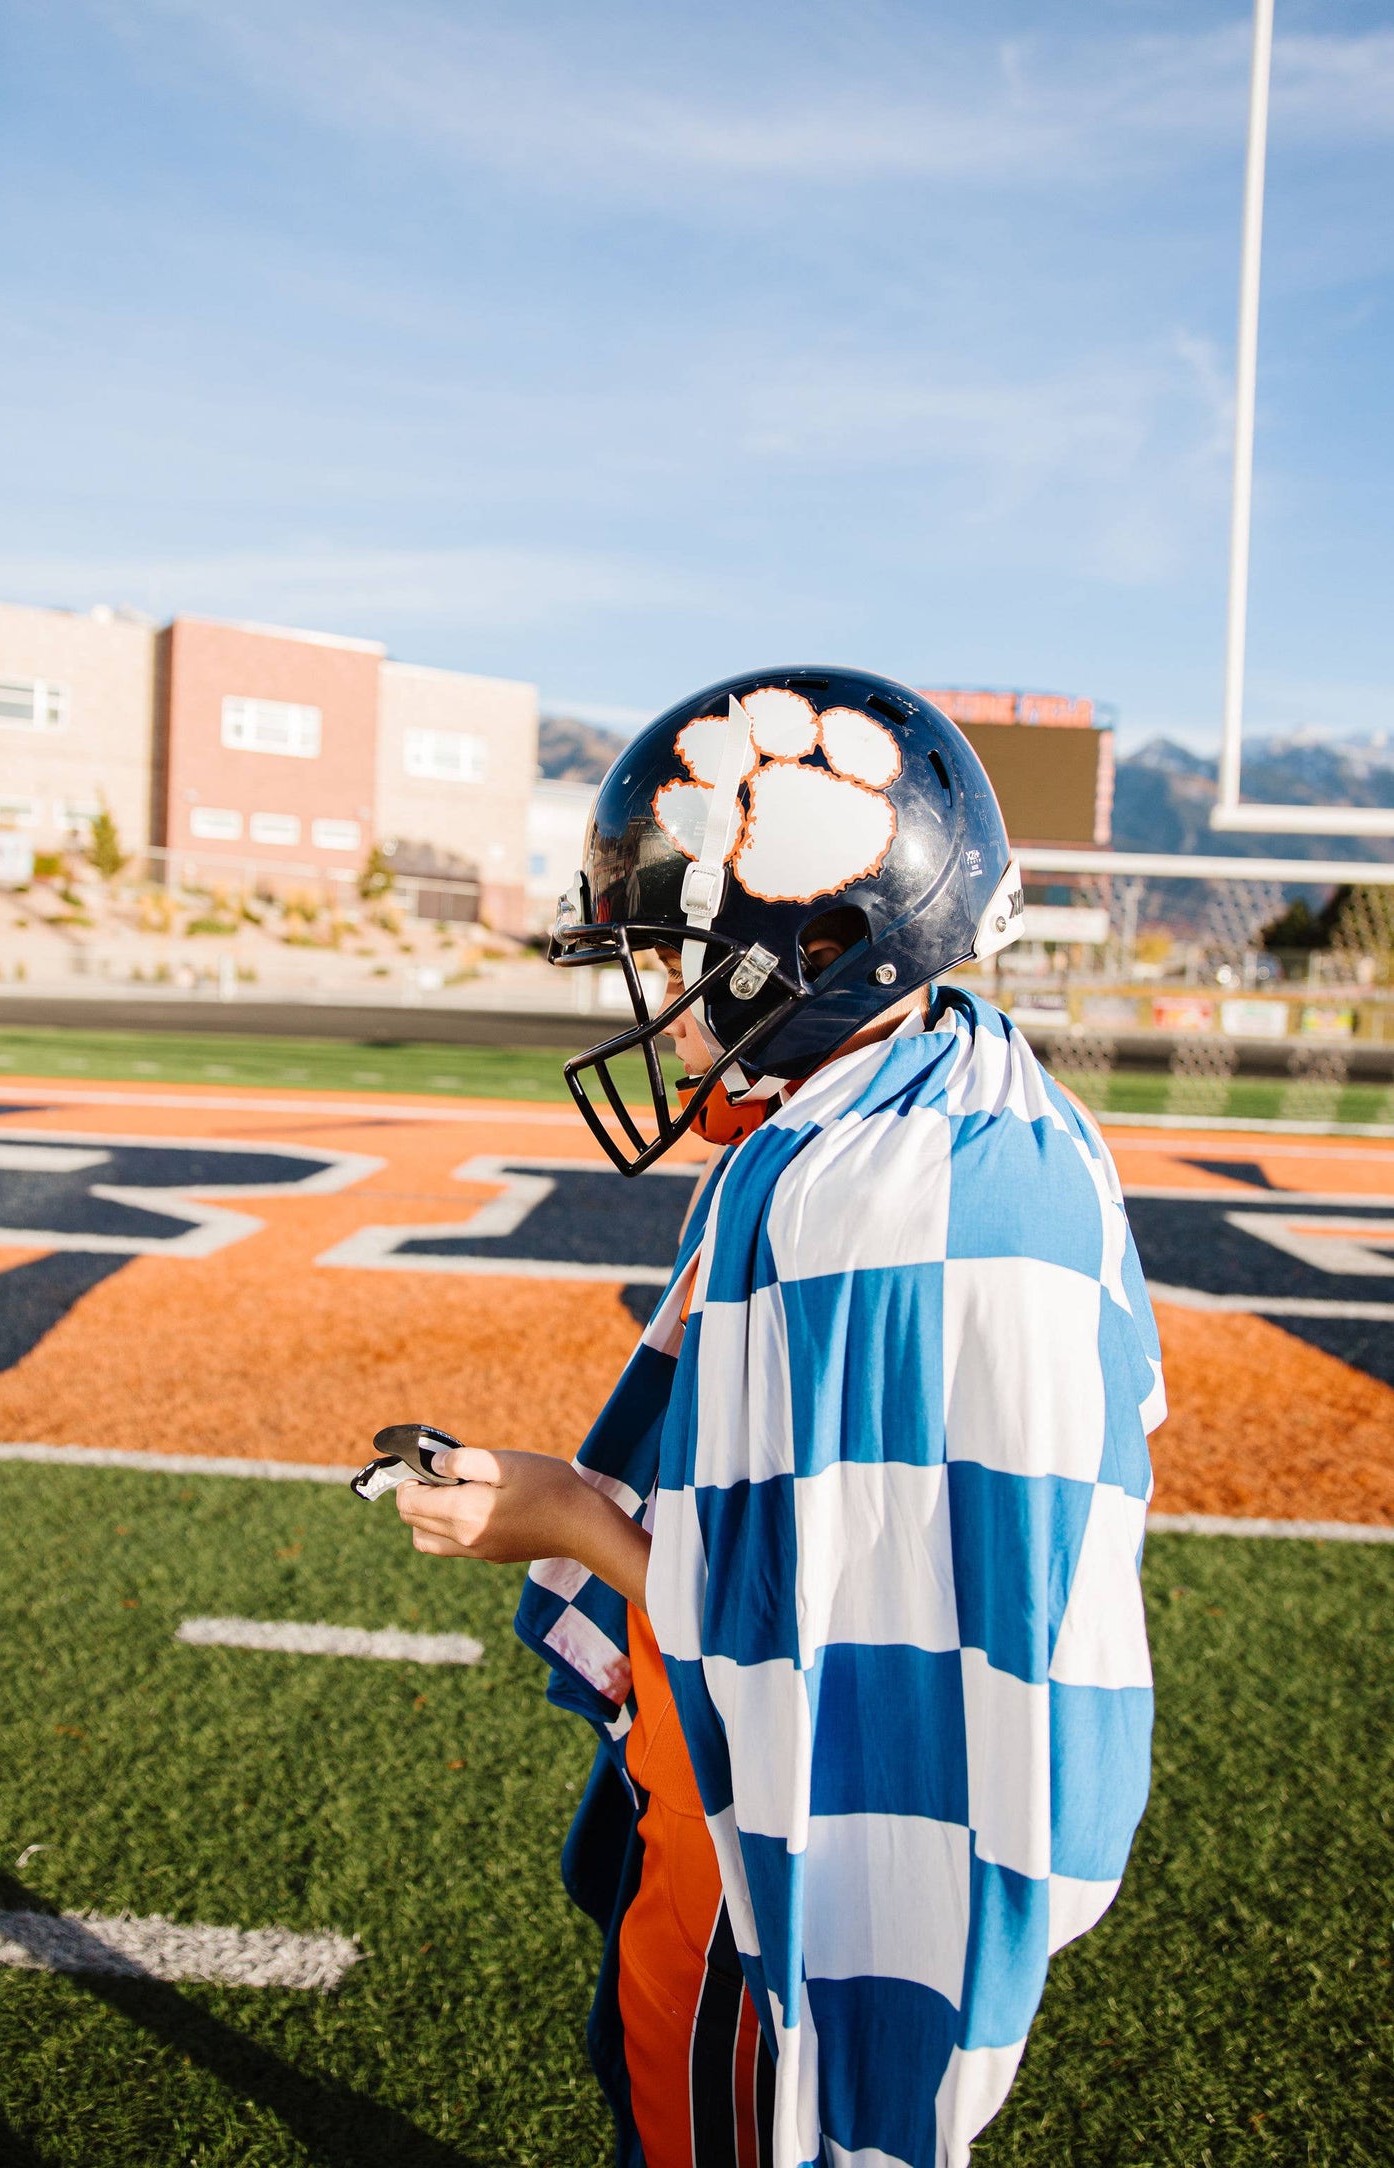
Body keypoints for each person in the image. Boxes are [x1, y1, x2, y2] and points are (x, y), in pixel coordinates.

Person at [396, 668, 1163, 2168]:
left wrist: (564, 1519)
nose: (657, 1004)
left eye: (673, 951)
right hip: (745, 1777)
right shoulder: (942, 1102)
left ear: (813, 940)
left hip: (797, 1861)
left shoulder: (875, 1201)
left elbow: (834, 1649)